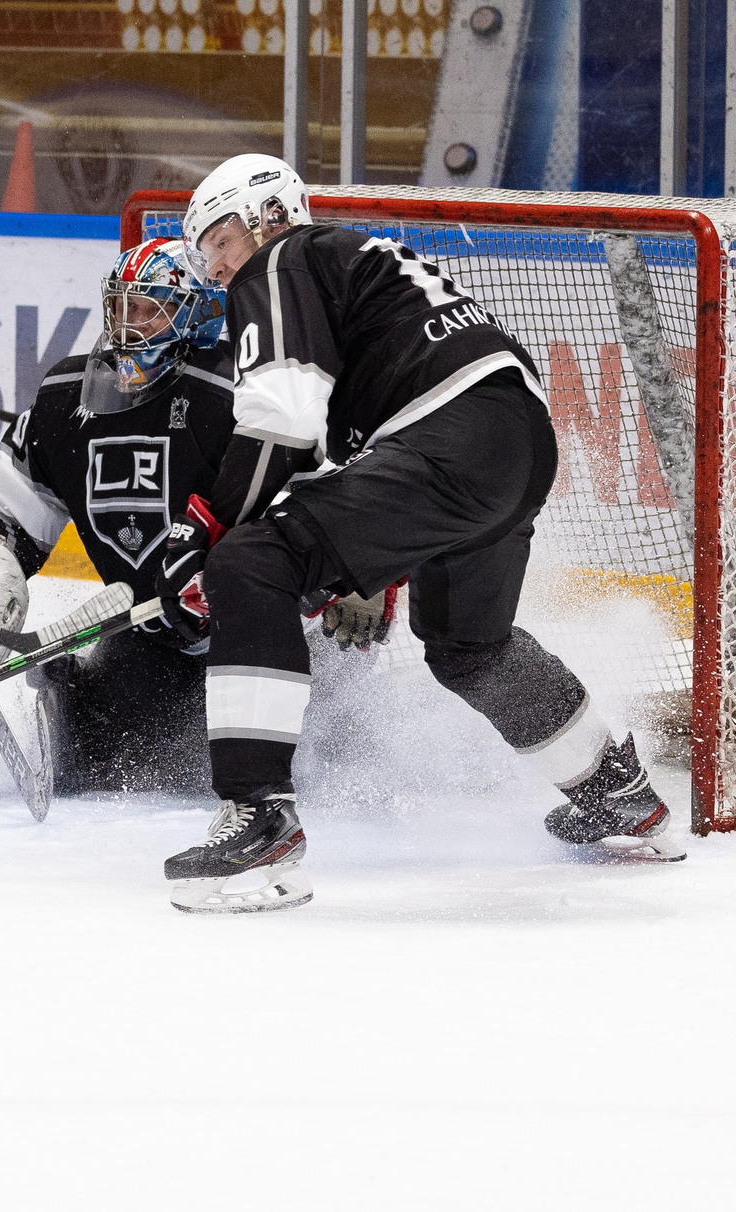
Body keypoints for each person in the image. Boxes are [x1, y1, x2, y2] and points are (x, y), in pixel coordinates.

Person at [156, 154, 682, 913]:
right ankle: (616, 791)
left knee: (252, 564)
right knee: (468, 649)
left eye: (218, 241)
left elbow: (282, 420)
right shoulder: (354, 261)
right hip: (516, 442)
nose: (218, 268)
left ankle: (260, 823)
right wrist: (369, 564)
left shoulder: (282, 259)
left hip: (449, 439)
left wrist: (207, 532)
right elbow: (339, 448)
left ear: (263, 214)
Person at [0, 239, 243, 792]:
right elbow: (2, 515)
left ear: (196, 315)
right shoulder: (69, 396)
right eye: (123, 306)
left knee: (277, 766)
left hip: (258, 635)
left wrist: (349, 585)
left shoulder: (239, 391)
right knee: (104, 771)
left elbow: (313, 495)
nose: (130, 326)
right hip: (156, 634)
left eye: (151, 308)